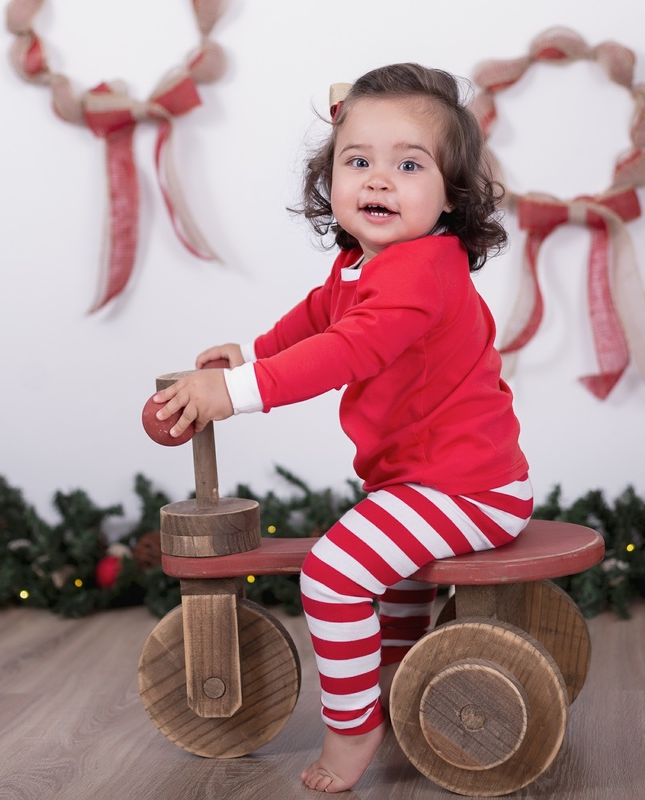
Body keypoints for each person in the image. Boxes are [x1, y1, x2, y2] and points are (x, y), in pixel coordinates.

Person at [151, 62, 532, 793]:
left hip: (466, 489)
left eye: (408, 164)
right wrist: (257, 351)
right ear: (331, 178)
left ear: (452, 194)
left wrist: (236, 390)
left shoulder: (423, 273)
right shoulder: (364, 264)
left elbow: (346, 349)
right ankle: (394, 686)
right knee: (394, 587)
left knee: (334, 573)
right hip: (420, 483)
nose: (378, 180)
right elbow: (320, 317)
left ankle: (353, 728)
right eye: (358, 161)